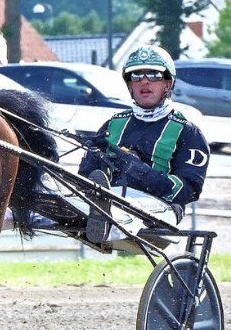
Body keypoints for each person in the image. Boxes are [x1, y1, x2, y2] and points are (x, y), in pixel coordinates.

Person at [79, 44, 209, 243]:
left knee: (122, 208)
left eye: (154, 75)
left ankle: (105, 221)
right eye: (137, 76)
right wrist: (93, 161)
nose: (145, 82)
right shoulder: (114, 124)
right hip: (109, 197)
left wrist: (138, 170)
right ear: (130, 85)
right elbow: (87, 177)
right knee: (65, 198)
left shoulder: (187, 132)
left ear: (168, 83)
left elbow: (187, 190)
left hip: (162, 209)